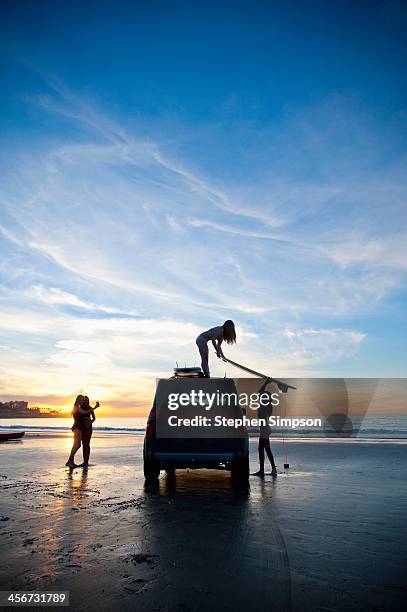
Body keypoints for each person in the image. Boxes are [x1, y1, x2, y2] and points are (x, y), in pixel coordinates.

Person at [65, 395, 99, 468]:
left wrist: (88, 423)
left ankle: (71, 461)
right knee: (77, 445)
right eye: (82, 400)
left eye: (84, 400)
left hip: (80, 428)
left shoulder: (78, 407)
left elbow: (89, 415)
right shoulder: (77, 407)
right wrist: (95, 407)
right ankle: (70, 461)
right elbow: (85, 413)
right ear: (79, 400)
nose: (83, 401)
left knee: (78, 445)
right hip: (77, 428)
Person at [253, 396, 278, 477]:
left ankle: (262, 471)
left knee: (261, 449)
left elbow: (259, 393)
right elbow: (260, 393)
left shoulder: (264, 408)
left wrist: (266, 383)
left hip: (264, 430)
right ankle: (273, 469)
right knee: (267, 450)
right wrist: (266, 383)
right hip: (266, 429)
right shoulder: (267, 407)